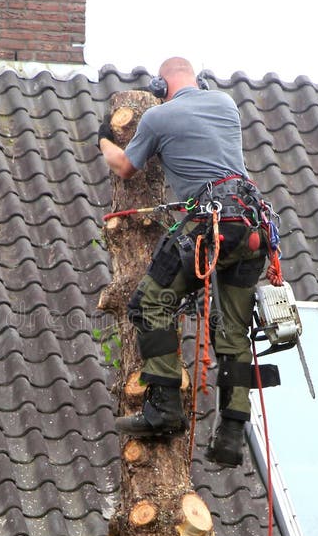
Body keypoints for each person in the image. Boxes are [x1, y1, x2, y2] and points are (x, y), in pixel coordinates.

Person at [98, 57, 275, 468]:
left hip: (210, 225)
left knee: (149, 303)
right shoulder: (227, 105)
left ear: (161, 86)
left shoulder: (159, 117)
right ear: (200, 80)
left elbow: (126, 168)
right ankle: (231, 432)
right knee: (232, 330)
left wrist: (106, 141)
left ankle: (164, 410)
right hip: (252, 227)